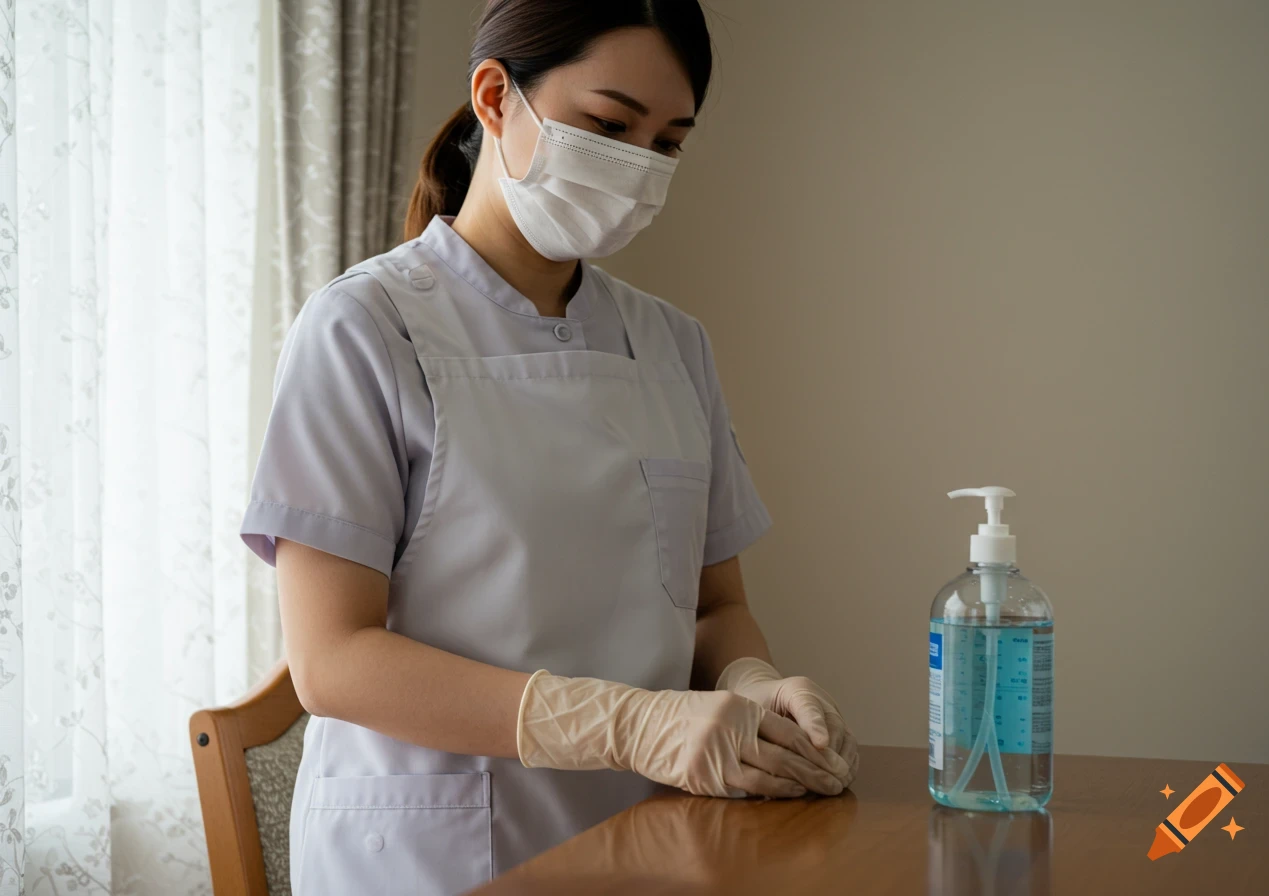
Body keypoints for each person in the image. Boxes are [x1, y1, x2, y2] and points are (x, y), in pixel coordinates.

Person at [240, 2, 858, 893]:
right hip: (432, 856)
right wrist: (625, 723)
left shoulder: (672, 345)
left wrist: (755, 682)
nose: (639, 168)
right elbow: (333, 661)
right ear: (496, 97)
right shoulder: (366, 329)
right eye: (608, 126)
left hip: (657, 840)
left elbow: (714, 608)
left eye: (668, 143)